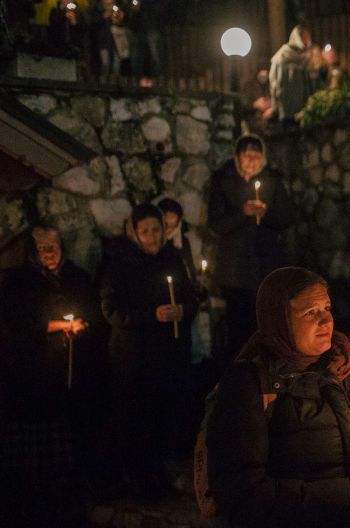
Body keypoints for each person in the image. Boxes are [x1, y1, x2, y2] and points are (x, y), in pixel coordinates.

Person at [206, 267, 350, 527]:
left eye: (327, 309)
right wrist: (339, 499)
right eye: (310, 312)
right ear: (279, 320)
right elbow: (240, 490)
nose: (326, 321)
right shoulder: (251, 383)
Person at [0, 225, 108, 525]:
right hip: (33, 380)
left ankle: (74, 498)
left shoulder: (76, 277)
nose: (48, 251)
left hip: (74, 375)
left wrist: (82, 328)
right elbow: (16, 325)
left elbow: (94, 315)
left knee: (73, 440)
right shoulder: (18, 282)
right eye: (41, 246)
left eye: (53, 245)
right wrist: (56, 326)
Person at [99, 204, 199, 496]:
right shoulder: (118, 263)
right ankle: (135, 477)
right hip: (134, 357)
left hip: (167, 355)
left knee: (162, 415)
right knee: (135, 417)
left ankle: (159, 473)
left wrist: (183, 310)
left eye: (156, 229)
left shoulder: (172, 258)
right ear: (134, 232)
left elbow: (190, 297)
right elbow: (112, 309)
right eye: (145, 231)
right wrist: (151, 315)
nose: (152, 236)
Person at [207, 135, 297, 369]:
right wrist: (243, 213)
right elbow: (216, 223)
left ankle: (267, 370)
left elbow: (287, 217)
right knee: (239, 324)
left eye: (257, 157)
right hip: (235, 270)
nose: (252, 162)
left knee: (266, 322)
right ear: (237, 158)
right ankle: (239, 372)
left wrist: (266, 213)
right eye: (248, 157)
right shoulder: (222, 179)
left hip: (265, 265)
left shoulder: (273, 180)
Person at [269, 24, 315, 125]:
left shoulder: (308, 57)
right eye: (303, 37)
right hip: (287, 107)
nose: (305, 40)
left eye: (307, 37)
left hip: (304, 107)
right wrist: (275, 107)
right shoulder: (282, 56)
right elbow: (274, 83)